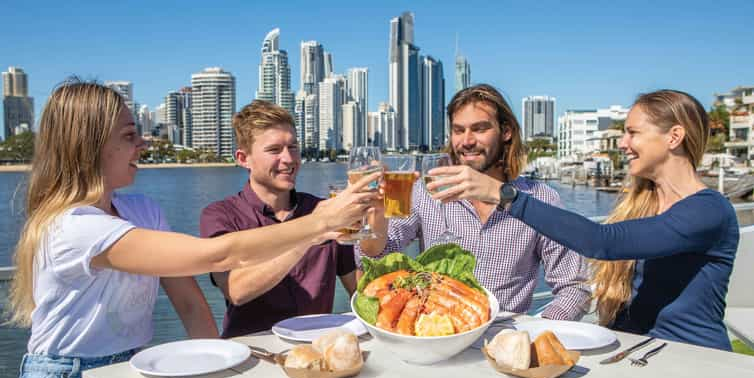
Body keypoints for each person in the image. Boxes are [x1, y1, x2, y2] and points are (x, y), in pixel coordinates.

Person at [9, 80, 379, 378]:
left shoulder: (142, 211)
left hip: (131, 367)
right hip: (65, 376)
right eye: (129, 135)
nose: (143, 145)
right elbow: (219, 256)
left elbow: (188, 302)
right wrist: (320, 223)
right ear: (91, 147)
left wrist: (223, 374)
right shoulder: (74, 227)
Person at [432, 89, 739, 350]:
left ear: (674, 137)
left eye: (632, 132)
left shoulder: (708, 211)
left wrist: (504, 195)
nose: (622, 143)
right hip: (636, 352)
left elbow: (601, 242)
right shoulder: (643, 204)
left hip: (692, 359)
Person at [358, 84, 590, 320]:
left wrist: (535, 335)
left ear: (506, 131)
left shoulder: (541, 199)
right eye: (459, 130)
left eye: (479, 129)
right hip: (438, 335)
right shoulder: (425, 193)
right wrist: (376, 213)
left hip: (503, 337)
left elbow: (574, 287)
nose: (467, 141)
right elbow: (374, 256)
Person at [200, 100, 361, 337]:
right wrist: (311, 232)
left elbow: (360, 289)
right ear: (243, 159)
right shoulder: (220, 215)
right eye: (274, 150)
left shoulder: (322, 208)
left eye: (293, 147)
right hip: (253, 353)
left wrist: (377, 220)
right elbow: (236, 290)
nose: (289, 159)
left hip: (319, 348)